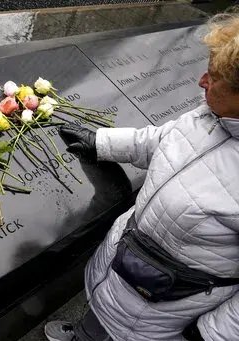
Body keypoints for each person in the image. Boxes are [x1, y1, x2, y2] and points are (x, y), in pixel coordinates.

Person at [45, 10, 239, 341]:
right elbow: (162, 140)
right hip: (123, 267)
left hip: (165, 307)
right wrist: (100, 142)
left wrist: (206, 335)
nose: (201, 82)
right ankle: (83, 334)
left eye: (213, 78)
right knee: (100, 315)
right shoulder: (212, 113)